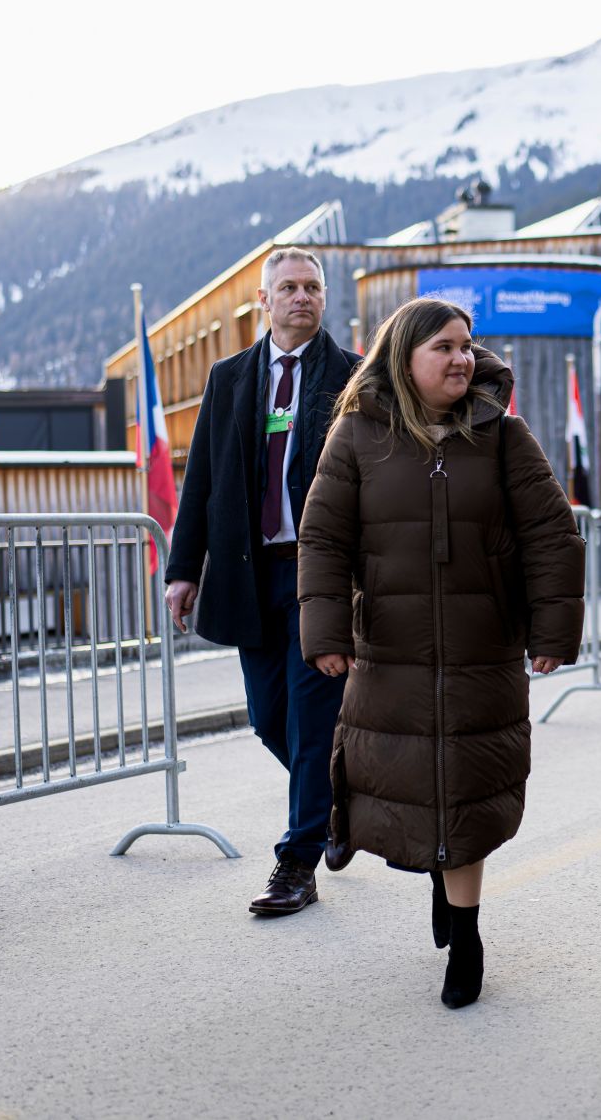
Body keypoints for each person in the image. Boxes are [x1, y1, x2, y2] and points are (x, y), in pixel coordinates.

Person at [298, 297, 584, 1008]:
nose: (463, 357)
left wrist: (552, 633)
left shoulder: (501, 435)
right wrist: (327, 632)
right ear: (405, 357)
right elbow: (324, 539)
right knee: (394, 776)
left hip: (482, 652)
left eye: (467, 345)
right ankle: (434, 868)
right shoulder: (358, 435)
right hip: (390, 651)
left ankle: (467, 933)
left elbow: (554, 536)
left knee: (465, 790)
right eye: (445, 347)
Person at [165, 246, 358, 915]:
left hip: (322, 581)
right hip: (251, 579)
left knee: (310, 723)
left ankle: (297, 862)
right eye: (289, 287)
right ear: (265, 301)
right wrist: (182, 569)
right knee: (267, 717)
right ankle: (334, 803)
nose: (301, 297)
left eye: (312, 287)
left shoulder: (353, 377)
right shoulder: (229, 379)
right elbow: (203, 481)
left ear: (323, 299)